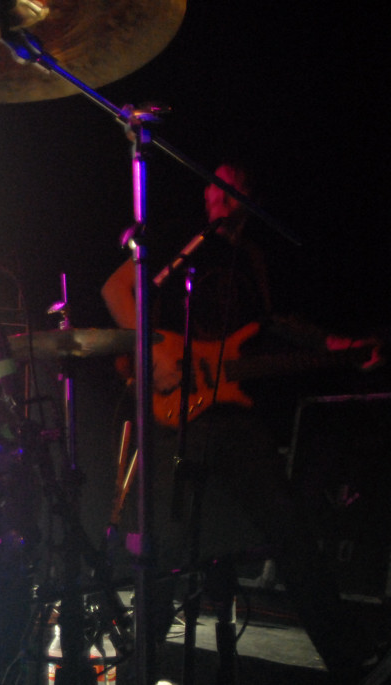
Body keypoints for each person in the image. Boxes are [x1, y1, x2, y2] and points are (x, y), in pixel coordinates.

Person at [101, 162, 385, 683]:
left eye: (230, 186)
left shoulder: (252, 258)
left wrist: (338, 347)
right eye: (213, 185)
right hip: (173, 412)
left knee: (288, 525)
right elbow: (117, 289)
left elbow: (276, 324)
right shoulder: (183, 242)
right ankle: (138, 669)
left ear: (249, 198)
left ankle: (351, 660)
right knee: (164, 545)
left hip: (230, 411)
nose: (218, 194)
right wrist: (153, 350)